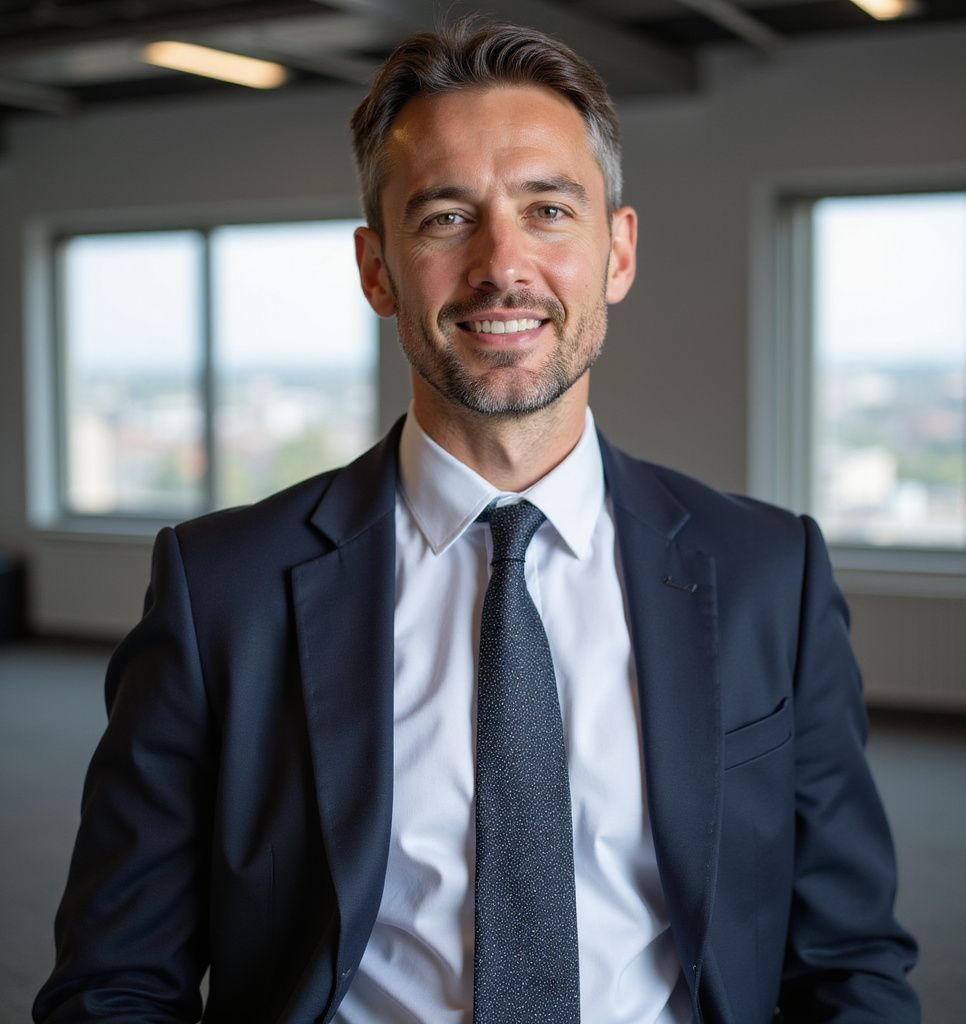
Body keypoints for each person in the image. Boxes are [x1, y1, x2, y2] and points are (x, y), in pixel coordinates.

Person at [34, 19, 919, 1024]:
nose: (503, 264)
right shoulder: (221, 589)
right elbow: (114, 984)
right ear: (377, 269)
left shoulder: (768, 571)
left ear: (616, 253)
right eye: (446, 217)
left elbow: (847, 959)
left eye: (548, 209)